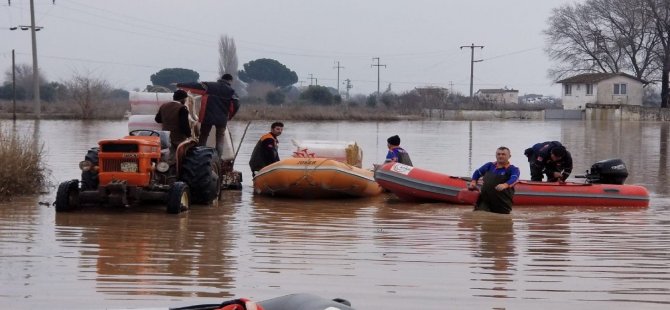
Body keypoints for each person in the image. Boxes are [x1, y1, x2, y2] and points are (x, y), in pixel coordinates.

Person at [177, 73, 240, 156]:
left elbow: (194, 86)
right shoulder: (231, 92)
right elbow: (236, 104)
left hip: (207, 117)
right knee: (220, 138)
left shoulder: (209, 86)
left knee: (204, 135)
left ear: (221, 78)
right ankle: (218, 158)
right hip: (222, 119)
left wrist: (179, 85)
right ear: (230, 81)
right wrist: (230, 116)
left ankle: (200, 155)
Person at [467, 146, 520, 214]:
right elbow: (477, 172)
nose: (500, 156)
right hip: (484, 201)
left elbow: (514, 178)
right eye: (498, 154)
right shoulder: (489, 165)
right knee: (480, 215)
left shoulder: (513, 169)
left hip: (502, 203)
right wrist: (473, 181)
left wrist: (505, 185)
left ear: (509, 156)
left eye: (503, 154)